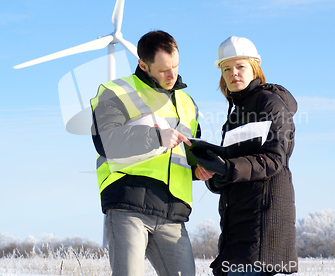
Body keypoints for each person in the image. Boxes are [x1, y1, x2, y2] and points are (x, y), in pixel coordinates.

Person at [90, 30, 213, 276]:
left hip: (173, 212)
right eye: (163, 69)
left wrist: (199, 169)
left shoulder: (188, 102)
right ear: (143, 65)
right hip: (128, 205)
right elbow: (106, 141)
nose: (172, 75)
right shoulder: (115, 91)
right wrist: (156, 136)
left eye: (176, 66)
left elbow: (184, 151)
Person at [191, 36, 298, 276]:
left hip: (261, 221)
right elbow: (233, 166)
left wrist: (226, 167)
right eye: (226, 68)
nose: (233, 73)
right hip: (236, 223)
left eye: (240, 66)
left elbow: (274, 160)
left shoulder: (270, 104)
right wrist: (214, 174)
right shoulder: (235, 113)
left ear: (255, 68)